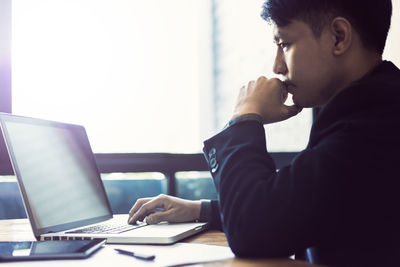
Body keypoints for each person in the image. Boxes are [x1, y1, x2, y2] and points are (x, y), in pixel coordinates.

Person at [128, 0, 400, 265]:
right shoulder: (374, 109)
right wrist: (202, 211)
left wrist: (245, 118)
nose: (277, 67)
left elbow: (254, 230)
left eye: (284, 44)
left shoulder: (375, 123)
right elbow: (301, 206)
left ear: (338, 37)